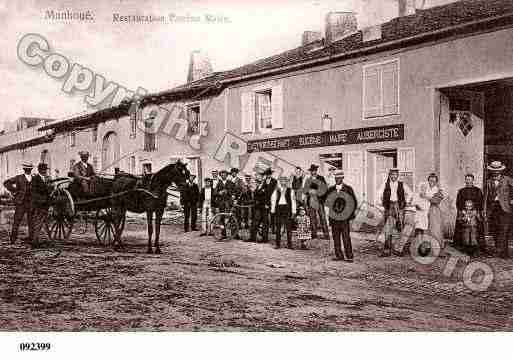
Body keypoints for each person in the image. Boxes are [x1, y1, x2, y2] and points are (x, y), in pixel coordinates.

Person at [378, 168, 413, 257]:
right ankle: (387, 250)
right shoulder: (385, 184)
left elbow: (410, 193)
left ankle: (399, 249)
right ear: (389, 175)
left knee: (400, 227)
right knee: (388, 228)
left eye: (395, 175)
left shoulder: (402, 184)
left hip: (399, 207)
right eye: (392, 175)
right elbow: (378, 194)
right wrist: (381, 204)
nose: (393, 176)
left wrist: (406, 202)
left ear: (398, 175)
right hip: (389, 206)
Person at [325, 170, 358, 262]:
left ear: (343, 178)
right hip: (334, 218)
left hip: (344, 218)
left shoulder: (348, 189)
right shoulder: (331, 189)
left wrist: (347, 214)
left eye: (339, 178)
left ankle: (349, 256)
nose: (337, 179)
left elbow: (354, 203)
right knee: (336, 237)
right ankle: (339, 255)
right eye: (336, 178)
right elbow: (327, 203)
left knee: (346, 237)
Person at [484, 161, 513, 258]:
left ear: (501, 170)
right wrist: (484, 210)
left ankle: (502, 251)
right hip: (493, 208)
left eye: (497, 171)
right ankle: (499, 249)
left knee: (504, 229)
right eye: (493, 171)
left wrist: (512, 200)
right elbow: (486, 197)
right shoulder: (488, 182)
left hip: (505, 208)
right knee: (495, 229)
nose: (495, 173)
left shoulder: (507, 179)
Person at [413, 173, 445, 252]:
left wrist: (426, 197)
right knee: (423, 228)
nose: (432, 182)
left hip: (433, 210)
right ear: (428, 181)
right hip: (423, 211)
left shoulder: (438, 190)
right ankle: (424, 247)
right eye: (430, 180)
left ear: (436, 182)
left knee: (434, 229)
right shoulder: (425, 188)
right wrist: (418, 204)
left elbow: (436, 201)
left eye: (434, 181)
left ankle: (435, 247)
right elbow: (418, 198)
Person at [3, 162, 33, 244]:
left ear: (31, 169)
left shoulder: (34, 178)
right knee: (17, 220)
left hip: (31, 202)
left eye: (29, 168)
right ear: (24, 169)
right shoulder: (19, 178)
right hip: (21, 203)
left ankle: (31, 238)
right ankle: (13, 239)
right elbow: (6, 183)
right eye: (26, 169)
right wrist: (14, 191)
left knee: (31, 221)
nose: (28, 170)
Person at [453, 173, 484, 250]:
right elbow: (458, 202)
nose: (468, 181)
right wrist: (463, 211)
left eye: (470, 179)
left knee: (475, 228)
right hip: (464, 212)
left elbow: (480, 202)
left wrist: (475, 210)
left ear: (473, 180)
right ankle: (463, 245)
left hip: (474, 212)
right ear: (465, 180)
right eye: (467, 179)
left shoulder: (478, 190)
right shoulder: (461, 191)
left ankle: (475, 245)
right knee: (464, 227)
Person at [303, 164, 329, 240]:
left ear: (316, 171)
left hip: (319, 201)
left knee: (322, 218)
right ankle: (314, 234)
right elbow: (305, 190)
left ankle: (326, 234)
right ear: (310, 172)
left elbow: (325, 189)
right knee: (312, 218)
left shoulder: (321, 178)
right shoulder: (308, 180)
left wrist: (317, 192)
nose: (313, 172)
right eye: (311, 171)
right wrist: (309, 191)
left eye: (314, 170)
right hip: (311, 201)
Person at [270, 176, 296, 249]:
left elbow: (293, 201)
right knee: (278, 227)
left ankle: (289, 244)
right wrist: (272, 210)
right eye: (281, 181)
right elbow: (273, 200)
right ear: (280, 182)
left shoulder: (291, 190)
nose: (283, 182)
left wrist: (294, 211)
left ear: (287, 182)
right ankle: (277, 244)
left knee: (288, 228)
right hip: (278, 209)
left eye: (285, 181)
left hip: (287, 209)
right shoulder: (276, 190)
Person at [31, 163, 51, 247]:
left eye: (45, 170)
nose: (45, 171)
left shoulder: (45, 179)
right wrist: (41, 201)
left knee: (44, 222)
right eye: (43, 170)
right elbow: (34, 192)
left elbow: (48, 191)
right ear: (39, 170)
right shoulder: (35, 179)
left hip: (45, 204)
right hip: (39, 204)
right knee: (38, 222)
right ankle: (35, 242)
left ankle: (46, 240)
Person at [250, 173, 269, 243]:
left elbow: (267, 196)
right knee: (255, 222)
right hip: (257, 207)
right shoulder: (257, 187)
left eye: (260, 177)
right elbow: (256, 196)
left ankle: (264, 239)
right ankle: (252, 237)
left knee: (264, 223)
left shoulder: (266, 186)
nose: (258, 179)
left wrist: (267, 204)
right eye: (258, 178)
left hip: (264, 207)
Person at [262, 168, 277, 234]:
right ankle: (266, 229)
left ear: (271, 174)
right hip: (265, 200)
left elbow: (272, 190)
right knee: (265, 216)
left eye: (269, 174)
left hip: (272, 200)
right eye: (267, 174)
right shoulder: (264, 181)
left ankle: (273, 229)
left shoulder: (274, 181)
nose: (268, 175)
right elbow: (263, 190)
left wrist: (266, 190)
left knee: (272, 215)